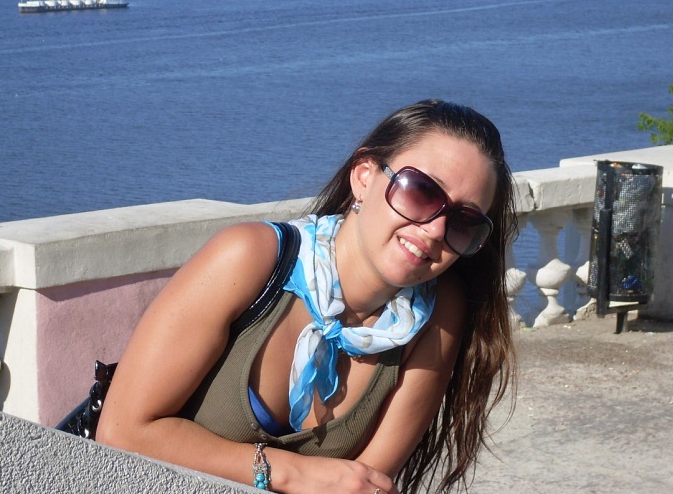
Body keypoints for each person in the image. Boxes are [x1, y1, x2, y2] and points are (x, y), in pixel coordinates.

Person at [96, 99, 517, 494]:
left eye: (464, 222)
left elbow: (364, 485)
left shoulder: (436, 315)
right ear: (364, 177)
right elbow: (122, 431)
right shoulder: (249, 259)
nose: (435, 230)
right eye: (421, 191)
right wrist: (290, 472)